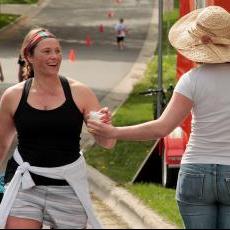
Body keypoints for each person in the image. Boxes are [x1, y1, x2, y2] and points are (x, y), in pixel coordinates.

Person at [88, 6, 230, 229]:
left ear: (198, 44)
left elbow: (161, 128)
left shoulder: (191, 80)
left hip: (195, 170)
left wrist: (113, 132)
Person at [0, 27, 116, 229]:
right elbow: (1, 145)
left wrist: (105, 125)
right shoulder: (13, 96)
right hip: (25, 185)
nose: (54, 56)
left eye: (57, 51)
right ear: (29, 56)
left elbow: (108, 143)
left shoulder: (80, 92)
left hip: (68, 187)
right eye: (46, 51)